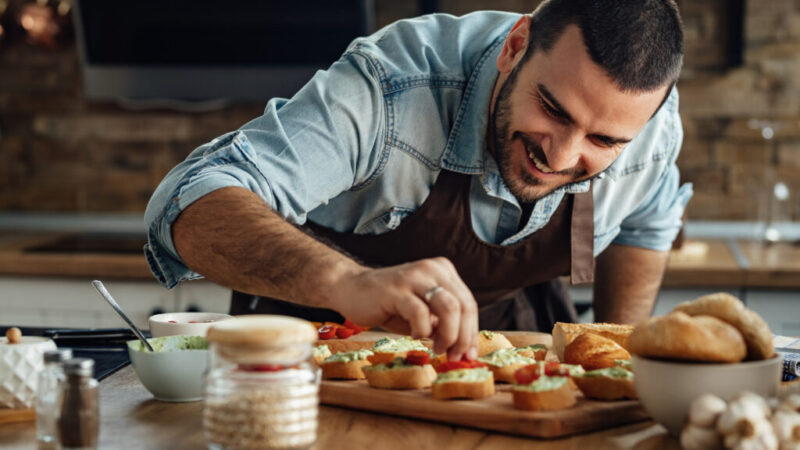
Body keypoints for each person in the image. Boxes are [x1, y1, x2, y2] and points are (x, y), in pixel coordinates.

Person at [144, 0, 692, 361]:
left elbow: (646, 222)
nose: (563, 155)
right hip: (314, 352)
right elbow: (188, 200)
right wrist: (346, 284)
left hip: (510, 351)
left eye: (604, 142)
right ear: (515, 46)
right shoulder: (392, 87)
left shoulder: (650, 128)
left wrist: (615, 363)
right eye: (552, 109)